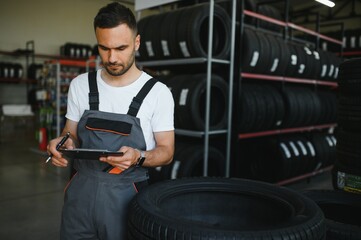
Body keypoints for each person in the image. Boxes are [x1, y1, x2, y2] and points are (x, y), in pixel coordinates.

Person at [47, 2, 175, 239]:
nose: (112, 57)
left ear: (136, 42)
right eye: (104, 48)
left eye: (121, 48)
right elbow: (70, 133)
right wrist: (62, 144)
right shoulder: (81, 85)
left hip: (127, 196)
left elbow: (167, 152)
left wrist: (139, 156)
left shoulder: (158, 93)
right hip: (80, 195)